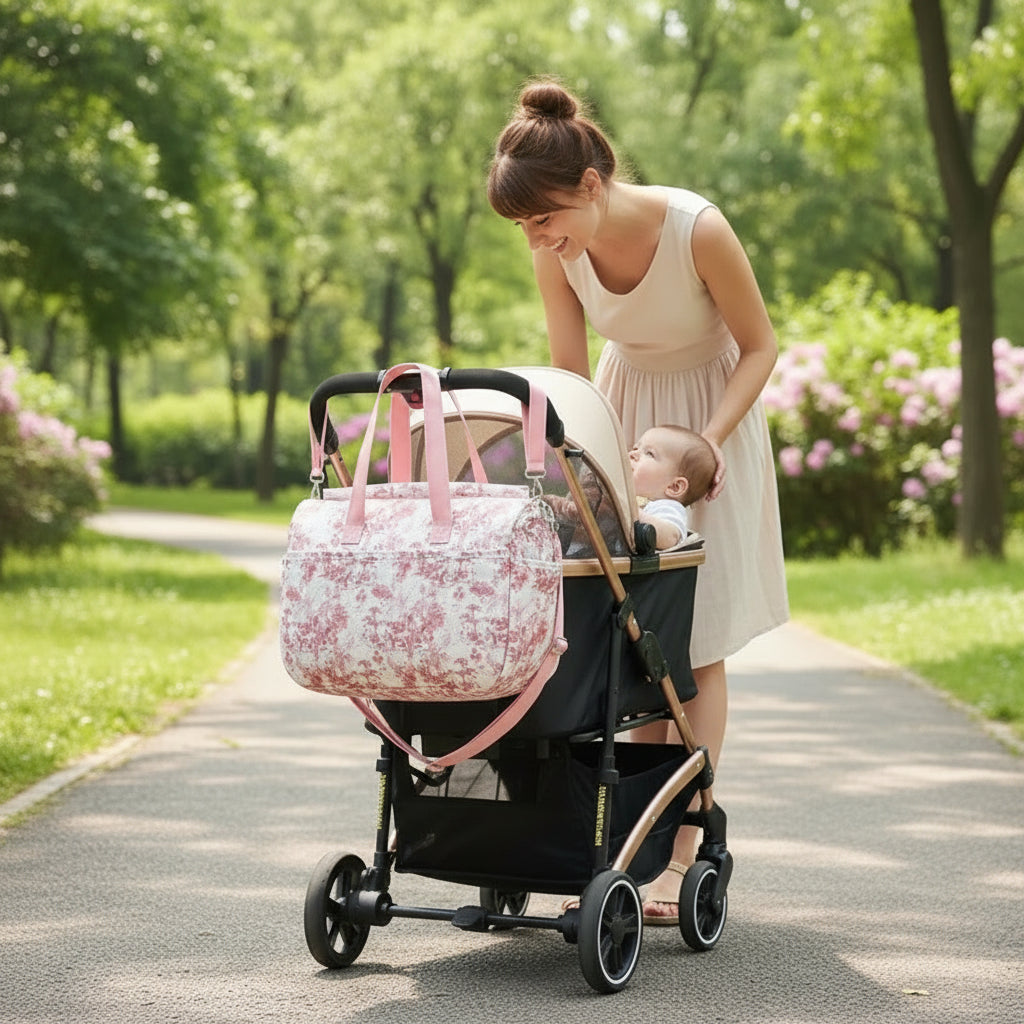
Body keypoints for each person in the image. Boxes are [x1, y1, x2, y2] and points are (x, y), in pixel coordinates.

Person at [488, 80, 789, 925]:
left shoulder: (697, 226)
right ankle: (626, 836)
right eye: (523, 228)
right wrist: (577, 464)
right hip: (622, 416)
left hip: (709, 416)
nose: (537, 239)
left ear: (588, 185)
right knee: (631, 628)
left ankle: (680, 851)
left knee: (696, 641)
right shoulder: (554, 246)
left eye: (542, 219)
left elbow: (761, 345)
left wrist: (709, 445)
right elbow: (569, 366)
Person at [630, 424, 716, 550]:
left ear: (674, 487)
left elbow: (670, 537)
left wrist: (631, 512)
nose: (633, 454)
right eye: (636, 448)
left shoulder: (665, 507)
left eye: (649, 453)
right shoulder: (619, 492)